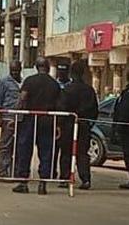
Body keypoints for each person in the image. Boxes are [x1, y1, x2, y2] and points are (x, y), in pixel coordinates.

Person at [13, 57, 61, 195]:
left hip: (30, 119)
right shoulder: (54, 84)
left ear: (36, 67)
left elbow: (22, 99)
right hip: (48, 120)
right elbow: (58, 105)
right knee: (46, 152)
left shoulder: (29, 81)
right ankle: (43, 183)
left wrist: (15, 116)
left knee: (25, 150)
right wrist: (58, 125)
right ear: (47, 67)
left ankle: (23, 182)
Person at [56, 61, 97, 190]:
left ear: (71, 74)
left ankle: (64, 178)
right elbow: (95, 110)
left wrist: (59, 125)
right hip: (84, 125)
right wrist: (90, 124)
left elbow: (61, 109)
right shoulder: (89, 90)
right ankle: (85, 179)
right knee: (83, 153)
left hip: (68, 125)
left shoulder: (67, 90)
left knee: (66, 152)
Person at [0, 60, 22, 179]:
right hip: (7, 118)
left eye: (17, 70)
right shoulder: (3, 82)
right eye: (12, 70)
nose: (15, 72)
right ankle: (4, 170)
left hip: (21, 119)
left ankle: (16, 170)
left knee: (19, 146)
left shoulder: (23, 82)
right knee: (5, 145)